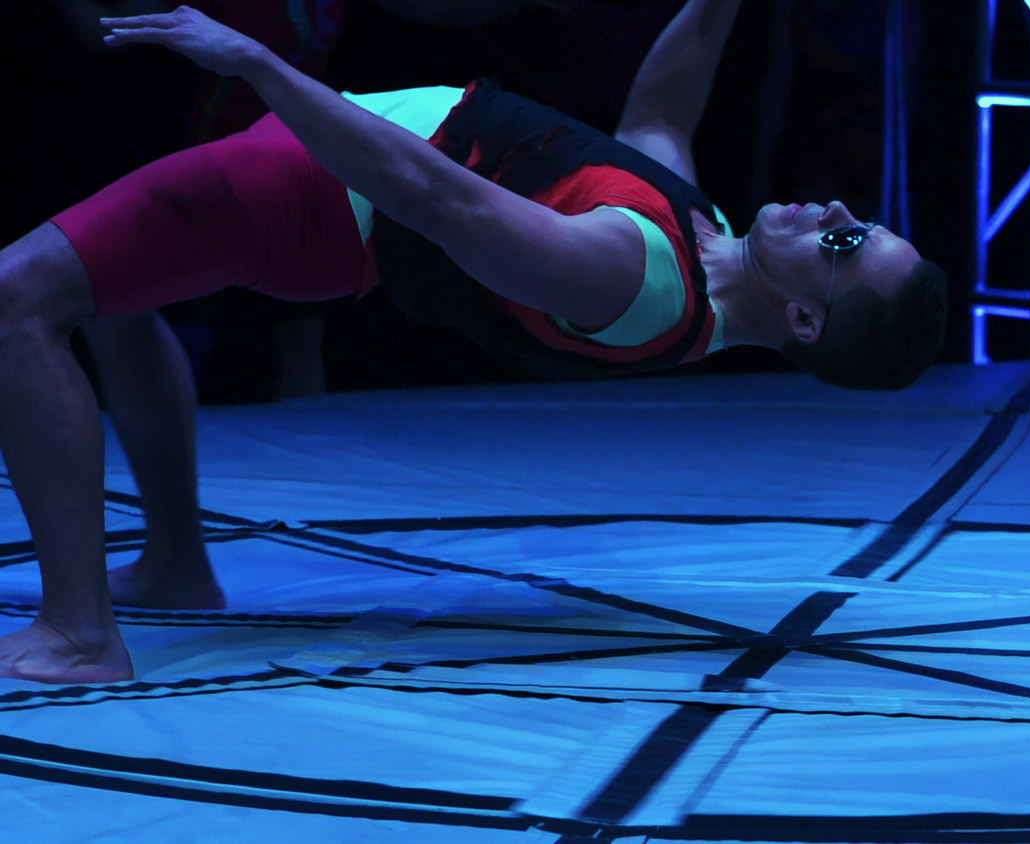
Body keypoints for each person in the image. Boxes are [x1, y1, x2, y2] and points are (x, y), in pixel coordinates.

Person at [0, 0, 947, 683]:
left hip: (321, 195)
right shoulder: (699, 244)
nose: (834, 209)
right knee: (113, 299)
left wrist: (257, 64)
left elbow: (437, 197)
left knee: (17, 297)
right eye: (856, 220)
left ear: (807, 320)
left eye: (843, 243)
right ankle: (175, 562)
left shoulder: (631, 277)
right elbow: (657, 117)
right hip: (332, 182)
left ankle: (81, 632)